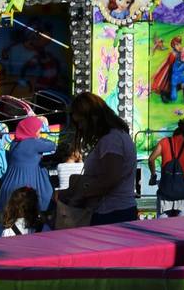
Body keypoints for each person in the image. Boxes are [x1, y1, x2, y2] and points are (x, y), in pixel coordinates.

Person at [56, 93, 139, 225]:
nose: (81, 128)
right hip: (117, 212)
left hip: (111, 214)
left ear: (93, 118)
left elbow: (110, 179)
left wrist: (79, 195)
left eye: (81, 122)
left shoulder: (111, 140)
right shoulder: (116, 136)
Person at [0, 115, 57, 220]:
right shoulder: (33, 143)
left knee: (8, 220)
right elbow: (52, 145)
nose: (39, 132)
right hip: (25, 187)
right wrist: (38, 137)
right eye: (38, 130)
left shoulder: (14, 143)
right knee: (27, 221)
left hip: (9, 185)